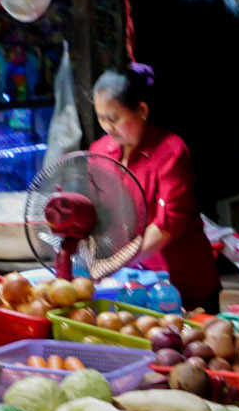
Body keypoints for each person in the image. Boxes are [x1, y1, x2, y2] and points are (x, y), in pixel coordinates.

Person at [90, 64, 221, 311]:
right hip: (128, 286)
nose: (107, 127)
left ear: (141, 110)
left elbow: (166, 225)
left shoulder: (171, 152)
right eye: (101, 118)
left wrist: (116, 261)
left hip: (182, 283)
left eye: (114, 118)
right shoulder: (98, 152)